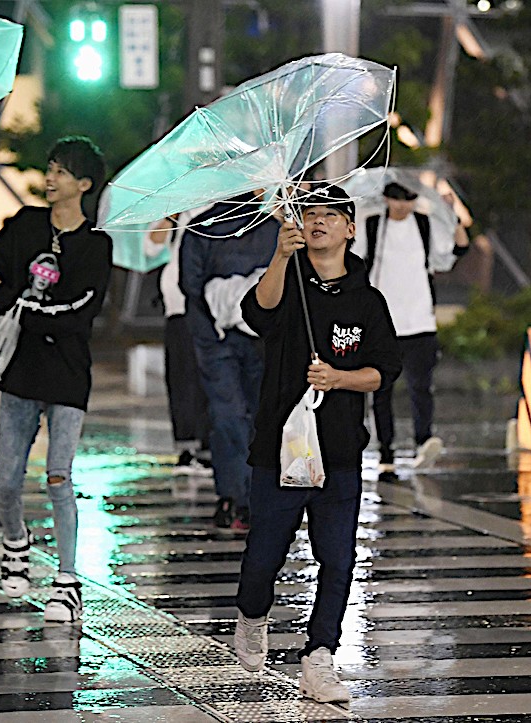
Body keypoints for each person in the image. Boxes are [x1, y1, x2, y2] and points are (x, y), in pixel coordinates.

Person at [233, 184, 402, 704]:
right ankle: (252, 616)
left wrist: (339, 378)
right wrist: (280, 257)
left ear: (350, 228)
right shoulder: (287, 281)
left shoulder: (367, 300)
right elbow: (256, 314)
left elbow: (384, 371)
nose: (318, 222)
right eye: (310, 214)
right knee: (263, 557)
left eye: (330, 215)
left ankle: (320, 657)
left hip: (340, 453)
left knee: (338, 559)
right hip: (279, 450)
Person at [0, 136, 111, 622]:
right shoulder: (26, 224)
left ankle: (67, 581)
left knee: (58, 476)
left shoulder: (96, 245)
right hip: (20, 370)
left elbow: (76, 315)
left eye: (61, 172)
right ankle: (15, 541)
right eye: (50, 168)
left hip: (67, 374)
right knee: (6, 483)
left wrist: (11, 298)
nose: (50, 178)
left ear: (84, 184)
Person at [351, 182, 469, 478]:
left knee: (421, 387)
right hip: (381, 324)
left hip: (420, 321)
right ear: (386, 199)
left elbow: (456, 249)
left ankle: (423, 442)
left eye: (409, 199)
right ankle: (386, 451)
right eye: (397, 199)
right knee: (381, 391)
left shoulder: (424, 224)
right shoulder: (373, 225)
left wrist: (451, 213)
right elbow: (350, 256)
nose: (402, 205)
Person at [179, 193, 278, 529]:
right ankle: (249, 496)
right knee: (254, 413)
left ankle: (233, 495)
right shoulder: (273, 228)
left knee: (228, 413)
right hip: (259, 337)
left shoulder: (201, 228)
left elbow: (190, 284)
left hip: (214, 335)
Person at [143, 211, 212, 475]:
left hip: (212, 305)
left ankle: (208, 448)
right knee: (181, 378)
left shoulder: (226, 203)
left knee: (208, 379)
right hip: (177, 306)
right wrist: (171, 218)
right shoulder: (179, 207)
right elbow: (151, 247)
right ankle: (186, 447)